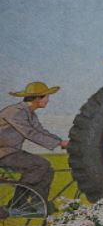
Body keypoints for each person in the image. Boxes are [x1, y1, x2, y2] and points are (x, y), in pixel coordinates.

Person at [0, 82, 69, 214]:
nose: (48, 100)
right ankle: (18, 203)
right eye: (46, 97)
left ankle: (38, 203)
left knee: (48, 170)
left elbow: (41, 131)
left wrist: (61, 142)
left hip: (10, 152)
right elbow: (31, 134)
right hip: (3, 153)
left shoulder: (30, 113)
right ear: (37, 98)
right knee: (39, 165)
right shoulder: (16, 112)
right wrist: (59, 144)